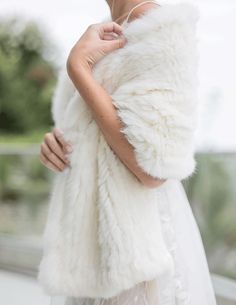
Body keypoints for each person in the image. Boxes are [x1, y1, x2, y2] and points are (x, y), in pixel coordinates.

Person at [38, 1, 218, 305]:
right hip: (95, 249)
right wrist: (57, 143)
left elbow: (154, 168)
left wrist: (79, 69)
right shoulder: (109, 26)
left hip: (135, 253)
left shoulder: (160, 25)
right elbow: (95, 124)